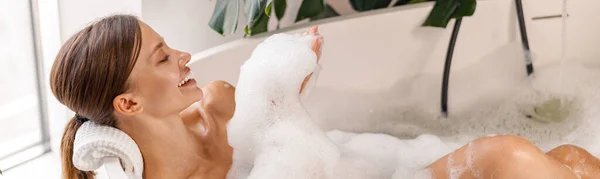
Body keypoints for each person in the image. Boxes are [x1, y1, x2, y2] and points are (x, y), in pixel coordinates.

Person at [50, 14, 599, 179]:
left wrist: (290, 78)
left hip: (379, 169)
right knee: (509, 157)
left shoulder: (219, 106)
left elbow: (284, 123)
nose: (185, 58)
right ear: (127, 105)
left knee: (572, 158)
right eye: (163, 59)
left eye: (171, 46)